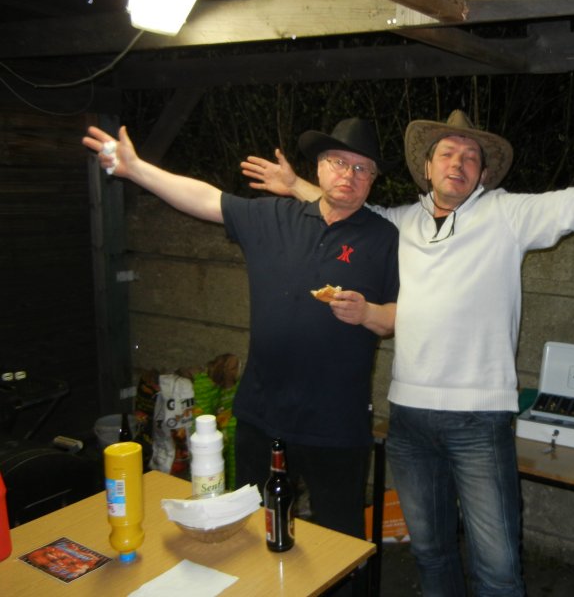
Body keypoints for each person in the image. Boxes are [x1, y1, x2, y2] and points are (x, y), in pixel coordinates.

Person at [240, 109, 574, 596]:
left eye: (470, 157)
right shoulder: (399, 224)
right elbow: (346, 201)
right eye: (447, 153)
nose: (458, 163)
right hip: (409, 421)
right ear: (426, 167)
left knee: (499, 571)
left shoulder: (508, 215)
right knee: (431, 556)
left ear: (483, 175)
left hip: (479, 423)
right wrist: (295, 185)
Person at [84, 118, 399, 596]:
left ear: (372, 180)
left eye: (362, 169)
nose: (349, 175)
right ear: (319, 166)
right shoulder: (273, 217)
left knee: (340, 548)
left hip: (337, 425)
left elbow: (399, 316)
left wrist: (369, 312)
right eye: (339, 162)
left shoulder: (384, 237)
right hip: (261, 417)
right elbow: (205, 199)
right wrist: (137, 169)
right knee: (248, 534)